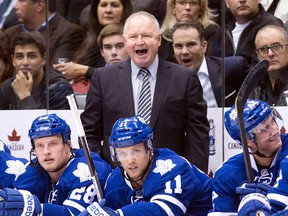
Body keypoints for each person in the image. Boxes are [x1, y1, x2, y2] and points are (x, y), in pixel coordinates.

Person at [80, 11, 210, 173]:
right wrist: (101, 172)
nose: (140, 42)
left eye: (146, 36)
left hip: (170, 177)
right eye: (133, 36)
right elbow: (89, 133)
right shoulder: (103, 78)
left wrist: (194, 178)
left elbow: (198, 136)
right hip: (118, 180)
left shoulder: (184, 78)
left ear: (159, 40)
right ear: (125, 41)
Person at [79, 115, 212, 216]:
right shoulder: (114, 183)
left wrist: (119, 214)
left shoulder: (173, 167)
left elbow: (164, 211)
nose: (130, 160)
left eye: (135, 151)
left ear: (149, 149)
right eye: (122, 153)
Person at [0, 113, 112, 215]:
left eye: (53, 144)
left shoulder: (86, 169)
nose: (46, 151)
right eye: (40, 146)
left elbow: (73, 214)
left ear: (68, 145)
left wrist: (36, 207)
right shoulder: (33, 171)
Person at [208, 99, 288, 215]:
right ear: (247, 140)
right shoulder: (227, 174)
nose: (274, 130)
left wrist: (264, 200)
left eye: (273, 122)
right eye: (264, 129)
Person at [171, 20, 251, 107]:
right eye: (178, 46)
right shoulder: (167, 82)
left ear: (203, 47)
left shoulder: (232, 68)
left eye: (191, 44)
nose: (184, 52)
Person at [0, 31, 73, 109]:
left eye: (31, 56)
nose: (25, 62)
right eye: (19, 56)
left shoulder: (58, 88)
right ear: (13, 61)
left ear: (43, 59)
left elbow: (46, 121)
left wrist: (24, 96)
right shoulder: (8, 87)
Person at [53, 23, 129, 93]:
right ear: (102, 52)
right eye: (108, 47)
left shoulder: (138, 74)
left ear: (129, 48)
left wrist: (85, 70)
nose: (113, 52)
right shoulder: (94, 81)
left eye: (119, 46)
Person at [4, 0, 84, 66]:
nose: (15, 6)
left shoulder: (68, 32)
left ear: (39, 5)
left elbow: (58, 73)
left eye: (21, 1)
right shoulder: (10, 33)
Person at [209, 0, 283, 60]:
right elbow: (211, 67)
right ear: (227, 3)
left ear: (259, 0)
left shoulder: (271, 27)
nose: (242, 1)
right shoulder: (222, 34)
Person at [250, 25, 288, 106]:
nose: (270, 54)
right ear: (258, 54)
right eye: (263, 49)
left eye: (276, 46)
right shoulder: (254, 83)